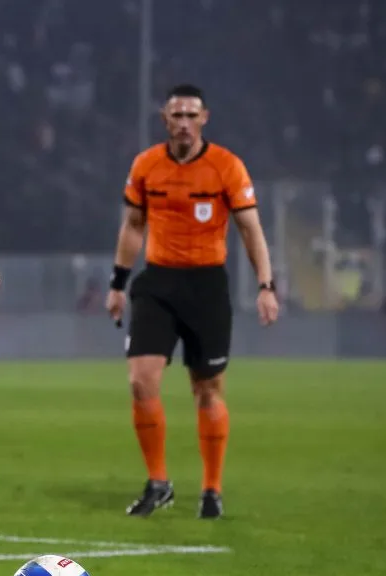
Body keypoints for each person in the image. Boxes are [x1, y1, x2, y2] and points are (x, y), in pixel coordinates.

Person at [104, 84, 279, 520]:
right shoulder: (146, 165)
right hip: (158, 283)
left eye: (191, 115)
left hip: (206, 287)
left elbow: (250, 230)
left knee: (207, 390)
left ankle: (211, 490)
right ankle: (158, 483)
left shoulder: (226, 167)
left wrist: (266, 285)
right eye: (176, 115)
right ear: (165, 120)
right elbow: (132, 226)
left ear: (204, 119)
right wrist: (117, 283)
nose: (183, 123)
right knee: (141, 380)